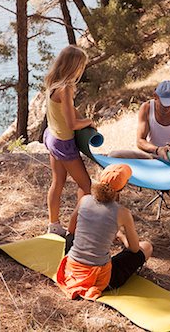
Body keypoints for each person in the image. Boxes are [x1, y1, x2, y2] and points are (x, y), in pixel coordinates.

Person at [56, 164, 153, 301]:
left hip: (71, 269)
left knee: (71, 237)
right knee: (146, 247)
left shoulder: (84, 200)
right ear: (123, 187)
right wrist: (122, 237)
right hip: (100, 278)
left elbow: (71, 231)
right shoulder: (123, 213)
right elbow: (134, 248)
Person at [110, 80, 170, 227]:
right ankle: (112, 207)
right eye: (164, 103)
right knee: (114, 156)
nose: (167, 108)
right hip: (152, 156)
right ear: (155, 96)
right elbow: (140, 141)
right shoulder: (146, 108)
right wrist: (157, 150)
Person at [43, 45, 95, 236]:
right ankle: (77, 226)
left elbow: (69, 113)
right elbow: (72, 123)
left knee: (57, 183)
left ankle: (53, 225)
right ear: (74, 66)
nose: (82, 70)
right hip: (63, 142)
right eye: (81, 66)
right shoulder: (65, 89)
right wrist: (89, 121)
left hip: (52, 136)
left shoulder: (52, 84)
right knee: (86, 186)